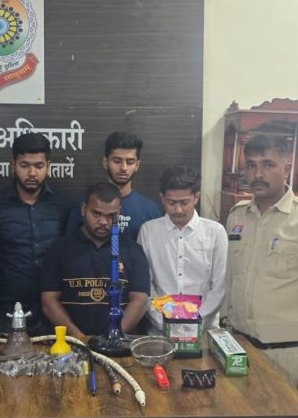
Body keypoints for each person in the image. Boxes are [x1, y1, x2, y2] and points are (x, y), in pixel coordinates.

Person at [222, 134, 298, 402]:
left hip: (288, 357)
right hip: (240, 349)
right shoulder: (237, 216)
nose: (258, 174)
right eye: (251, 165)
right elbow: (230, 280)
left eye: (268, 164)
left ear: (287, 168)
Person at [0, 133, 72, 334]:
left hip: (54, 313)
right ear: (13, 165)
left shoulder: (63, 205)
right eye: (25, 165)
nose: (32, 173)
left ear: (48, 166)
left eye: (39, 166)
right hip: (5, 312)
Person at [40, 182, 150, 338]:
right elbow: (49, 302)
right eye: (96, 214)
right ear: (83, 209)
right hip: (72, 344)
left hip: (118, 344)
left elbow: (140, 301)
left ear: (119, 213)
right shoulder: (59, 248)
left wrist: (113, 336)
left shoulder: (133, 250)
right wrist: (80, 339)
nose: (104, 222)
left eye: (111, 215)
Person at [137, 166, 228, 334]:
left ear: (196, 197)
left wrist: (194, 323)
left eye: (184, 202)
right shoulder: (148, 231)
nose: (178, 210)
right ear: (162, 198)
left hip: (204, 330)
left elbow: (219, 287)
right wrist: (164, 322)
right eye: (171, 203)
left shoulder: (215, 232)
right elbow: (145, 285)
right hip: (160, 331)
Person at [65, 131, 162, 241]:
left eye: (130, 162)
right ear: (105, 162)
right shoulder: (86, 206)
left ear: (137, 165)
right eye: (117, 161)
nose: (124, 168)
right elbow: (70, 247)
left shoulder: (150, 210)